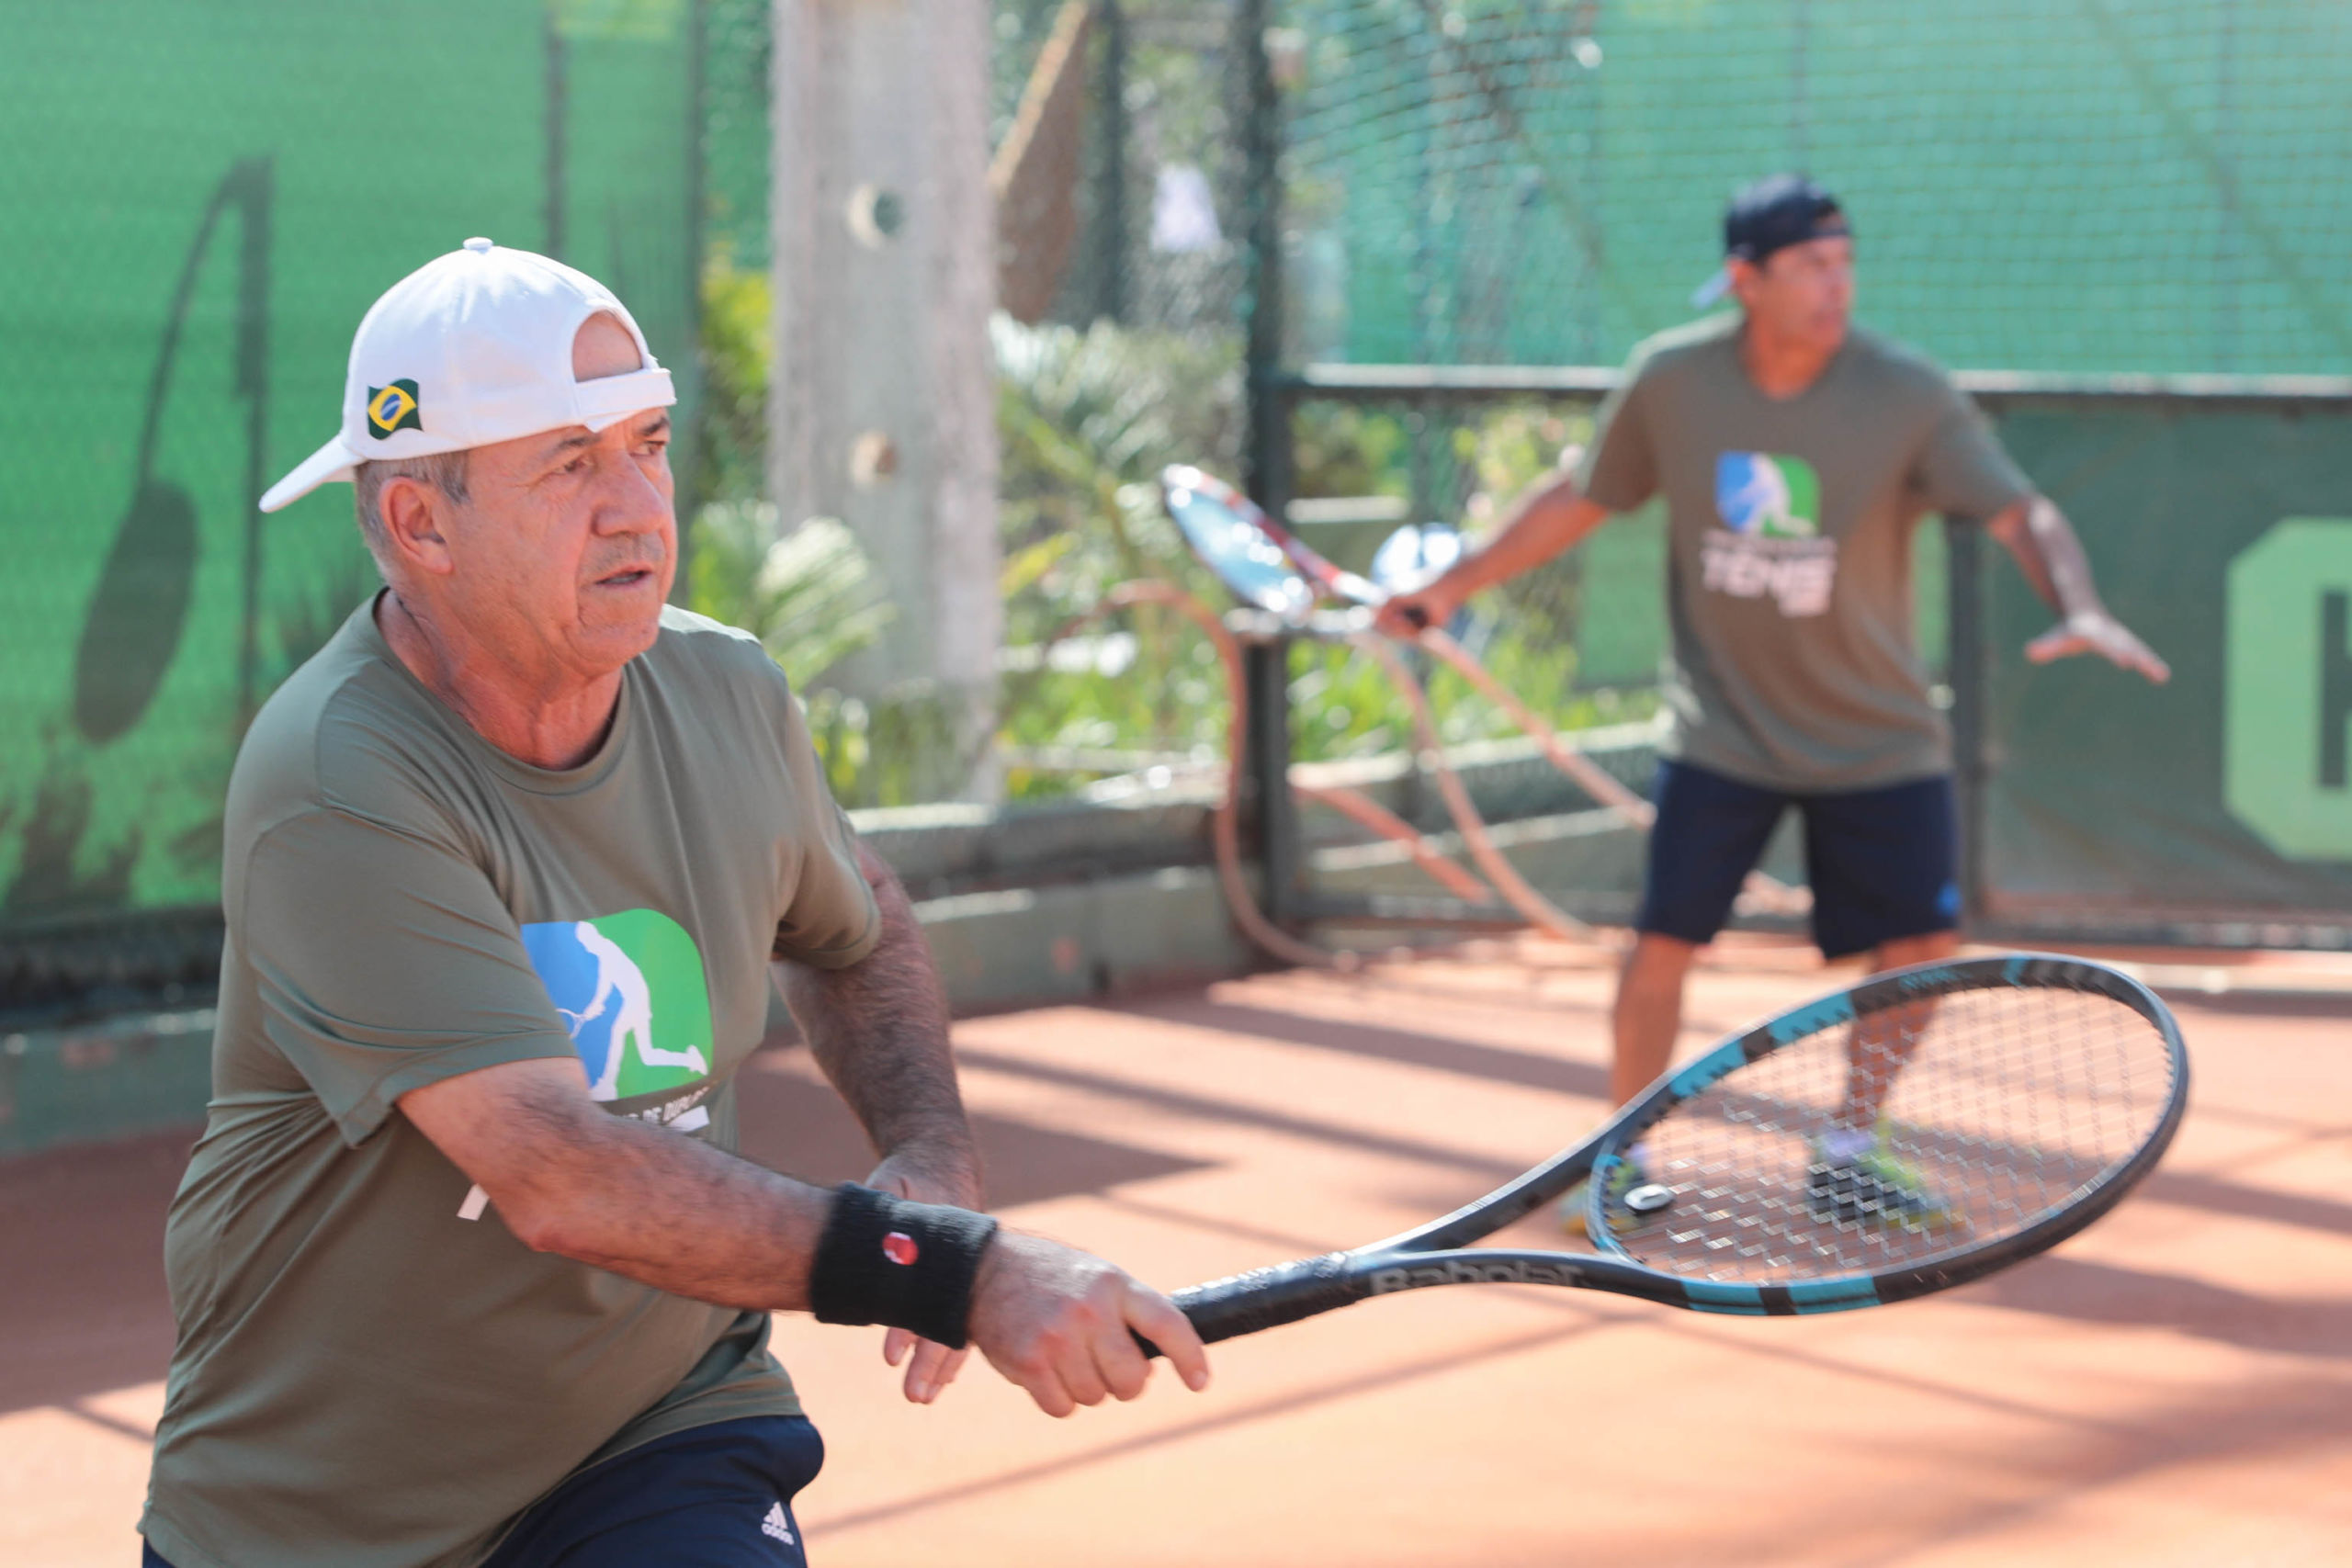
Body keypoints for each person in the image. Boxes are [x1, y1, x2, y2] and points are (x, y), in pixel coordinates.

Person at [140, 238, 1208, 1568]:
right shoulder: (336, 778)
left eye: (647, 441)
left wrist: (929, 1145)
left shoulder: (726, 692)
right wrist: (961, 1266)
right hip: (319, 1520)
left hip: (658, 1430)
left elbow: (852, 922)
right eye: (570, 463)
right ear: (421, 523)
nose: (640, 505)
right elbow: (556, 1173)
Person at [1378, 175, 2168, 1231]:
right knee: (1662, 942)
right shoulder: (1671, 382)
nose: (1835, 285)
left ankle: (1849, 1145)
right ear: (1745, 280)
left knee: (1919, 949)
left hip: (1878, 735)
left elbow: (2021, 512)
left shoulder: (1905, 392)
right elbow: (1581, 493)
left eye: (1844, 264)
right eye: (1809, 267)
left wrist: (2081, 604)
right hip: (1722, 731)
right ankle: (1621, 1155)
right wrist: (1450, 587)